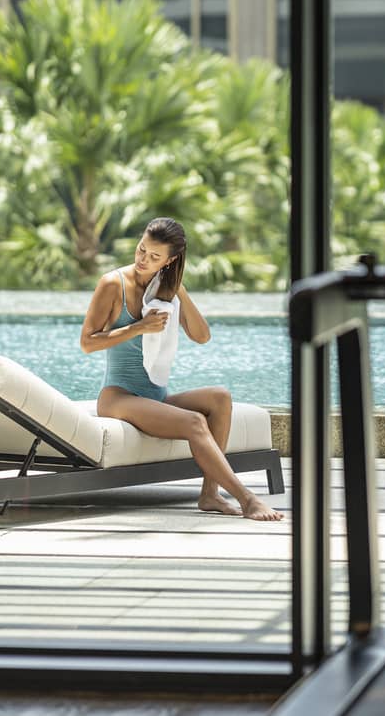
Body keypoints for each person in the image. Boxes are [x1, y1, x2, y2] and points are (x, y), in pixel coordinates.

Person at [80, 217, 284, 522]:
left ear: (170, 260)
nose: (143, 260)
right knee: (194, 422)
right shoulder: (113, 284)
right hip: (118, 397)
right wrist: (138, 328)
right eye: (141, 250)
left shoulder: (165, 288)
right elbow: (87, 342)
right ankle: (247, 499)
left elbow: (202, 336)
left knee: (220, 397)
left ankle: (210, 494)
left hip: (154, 397)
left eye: (154, 257)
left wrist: (178, 289)